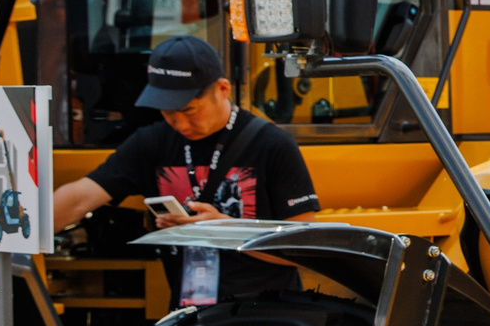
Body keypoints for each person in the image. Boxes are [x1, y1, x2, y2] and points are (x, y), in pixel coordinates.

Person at [51, 35, 318, 305]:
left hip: (271, 317)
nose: (179, 123)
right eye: (167, 113)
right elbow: (80, 197)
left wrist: (223, 229)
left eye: (190, 111)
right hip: (190, 320)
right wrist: (21, 230)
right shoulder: (151, 143)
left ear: (222, 89)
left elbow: (305, 249)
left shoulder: (272, 145)